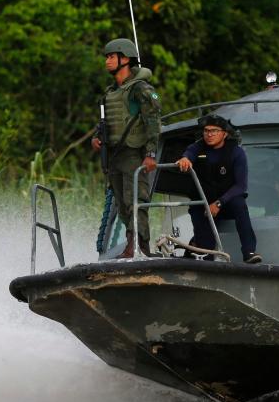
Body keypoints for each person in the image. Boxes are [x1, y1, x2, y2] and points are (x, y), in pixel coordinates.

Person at [91, 38, 161, 258]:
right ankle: (132, 245)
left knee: (135, 202)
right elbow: (104, 123)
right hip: (115, 156)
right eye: (107, 57)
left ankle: (139, 246)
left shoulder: (140, 89)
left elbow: (153, 122)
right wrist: (95, 138)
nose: (107, 61)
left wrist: (150, 154)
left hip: (134, 153)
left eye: (111, 57)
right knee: (122, 205)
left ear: (125, 59)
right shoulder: (110, 92)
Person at [176, 114, 262, 264]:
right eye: (206, 131)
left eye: (214, 131)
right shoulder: (198, 146)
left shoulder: (236, 152)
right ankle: (198, 250)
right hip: (202, 205)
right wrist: (185, 158)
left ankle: (249, 251)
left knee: (239, 204)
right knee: (206, 249)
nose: (209, 134)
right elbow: (189, 152)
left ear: (225, 134)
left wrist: (219, 203)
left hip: (226, 202)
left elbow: (241, 186)